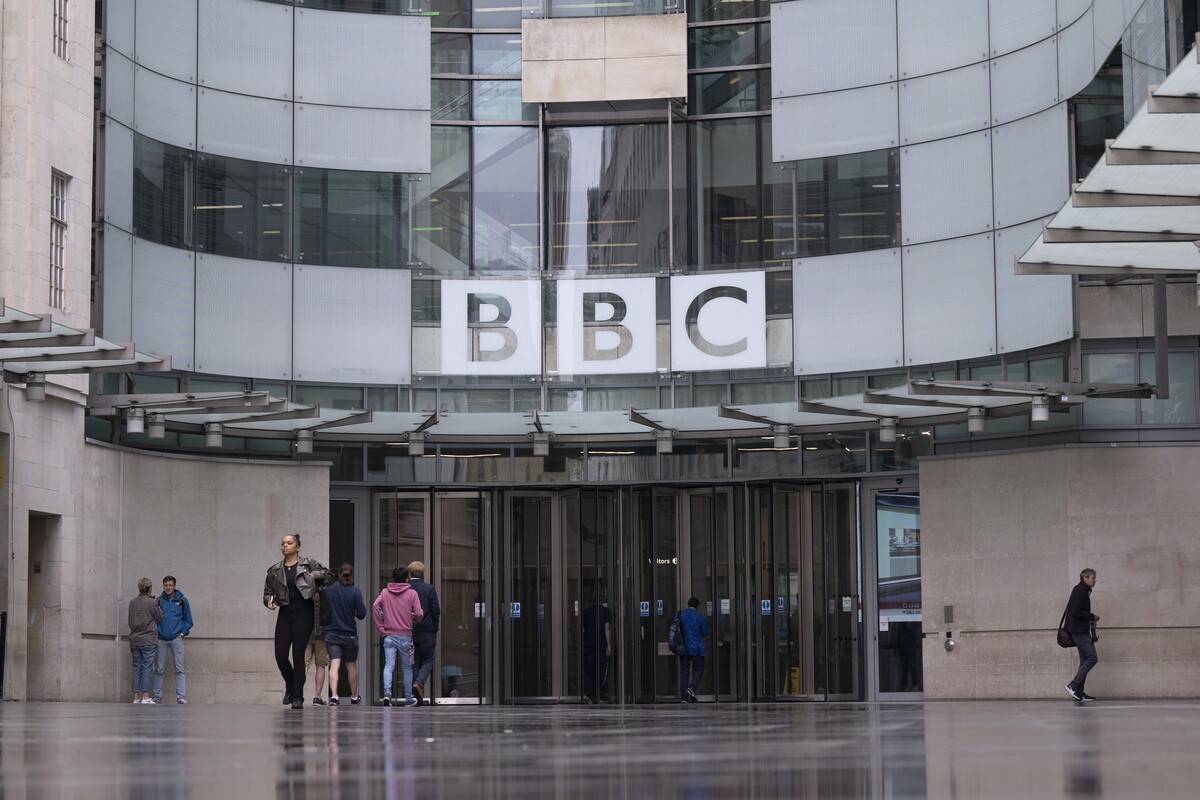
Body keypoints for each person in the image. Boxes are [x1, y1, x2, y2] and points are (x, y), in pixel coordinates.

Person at [264, 533, 331, 709]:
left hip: (304, 613)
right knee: (280, 655)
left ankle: (298, 697)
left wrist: (313, 575)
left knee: (298, 655)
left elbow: (328, 575)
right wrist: (269, 600)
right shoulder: (275, 570)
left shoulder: (308, 564)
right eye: (283, 543)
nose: (285, 546)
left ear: (297, 546)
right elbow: (267, 592)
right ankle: (291, 685)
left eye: (289, 543)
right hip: (285, 614)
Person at [372, 566, 424, 707]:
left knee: (389, 666)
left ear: (393, 579)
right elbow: (419, 613)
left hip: (389, 635)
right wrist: (412, 617)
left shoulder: (385, 592)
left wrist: (381, 628)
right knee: (407, 668)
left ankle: (387, 695)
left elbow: (375, 606)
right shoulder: (412, 593)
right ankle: (408, 698)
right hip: (406, 636)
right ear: (407, 578)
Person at [324, 563, 368, 706]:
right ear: (352, 574)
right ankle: (354, 697)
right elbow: (362, 614)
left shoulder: (329, 591)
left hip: (332, 633)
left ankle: (334, 696)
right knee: (351, 666)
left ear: (338, 574)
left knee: (334, 665)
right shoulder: (355, 592)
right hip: (349, 635)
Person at [153, 576, 193, 705]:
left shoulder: (182, 601)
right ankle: (157, 697)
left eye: (170, 585)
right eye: (166, 585)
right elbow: (153, 619)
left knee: (179, 669)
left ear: (174, 586)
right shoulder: (159, 601)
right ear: (163, 586)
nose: (168, 588)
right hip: (161, 639)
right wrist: (156, 632)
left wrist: (182, 633)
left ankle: (181, 697)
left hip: (177, 638)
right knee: (158, 669)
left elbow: (188, 620)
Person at [407, 561, 441, 706]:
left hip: (409, 631)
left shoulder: (406, 589)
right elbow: (435, 610)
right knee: (428, 659)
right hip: (427, 631)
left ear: (409, 573)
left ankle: (415, 692)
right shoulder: (429, 589)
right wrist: (435, 627)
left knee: (413, 661)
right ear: (423, 574)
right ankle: (419, 683)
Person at [1063, 568, 1100, 701]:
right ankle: (1073, 685)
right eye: (1092, 578)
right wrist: (1092, 616)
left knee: (1085, 660)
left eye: (1094, 578)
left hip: (1079, 630)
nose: (1095, 580)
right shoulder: (1080, 591)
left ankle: (1078, 692)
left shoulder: (1082, 590)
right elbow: (1076, 612)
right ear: (1085, 578)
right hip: (1078, 630)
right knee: (1092, 658)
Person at [128, 577, 162, 704]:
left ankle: (136, 697)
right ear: (149, 588)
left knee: (136, 667)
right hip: (148, 639)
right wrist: (157, 605)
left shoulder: (132, 602)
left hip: (135, 639)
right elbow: (159, 618)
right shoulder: (152, 603)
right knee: (147, 667)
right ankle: (146, 696)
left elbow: (130, 621)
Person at [581, 588, 612, 704]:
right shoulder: (605, 611)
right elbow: (607, 628)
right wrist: (609, 645)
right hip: (601, 645)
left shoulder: (586, 612)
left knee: (589, 670)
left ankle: (589, 695)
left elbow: (583, 629)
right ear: (602, 598)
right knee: (600, 670)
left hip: (588, 645)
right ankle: (600, 695)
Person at [677, 596, 709, 704]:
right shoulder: (700, 617)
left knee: (684, 673)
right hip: (698, 648)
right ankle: (691, 688)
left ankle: (684, 697)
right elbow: (704, 632)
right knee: (699, 670)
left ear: (688, 604)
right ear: (697, 606)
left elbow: (675, 629)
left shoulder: (681, 615)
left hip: (684, 647)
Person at [304, 589, 330, 706]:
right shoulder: (325, 593)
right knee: (321, 665)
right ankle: (317, 697)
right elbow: (329, 615)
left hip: (305, 633)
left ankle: (297, 694)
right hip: (321, 634)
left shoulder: (304, 592)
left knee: (303, 664)